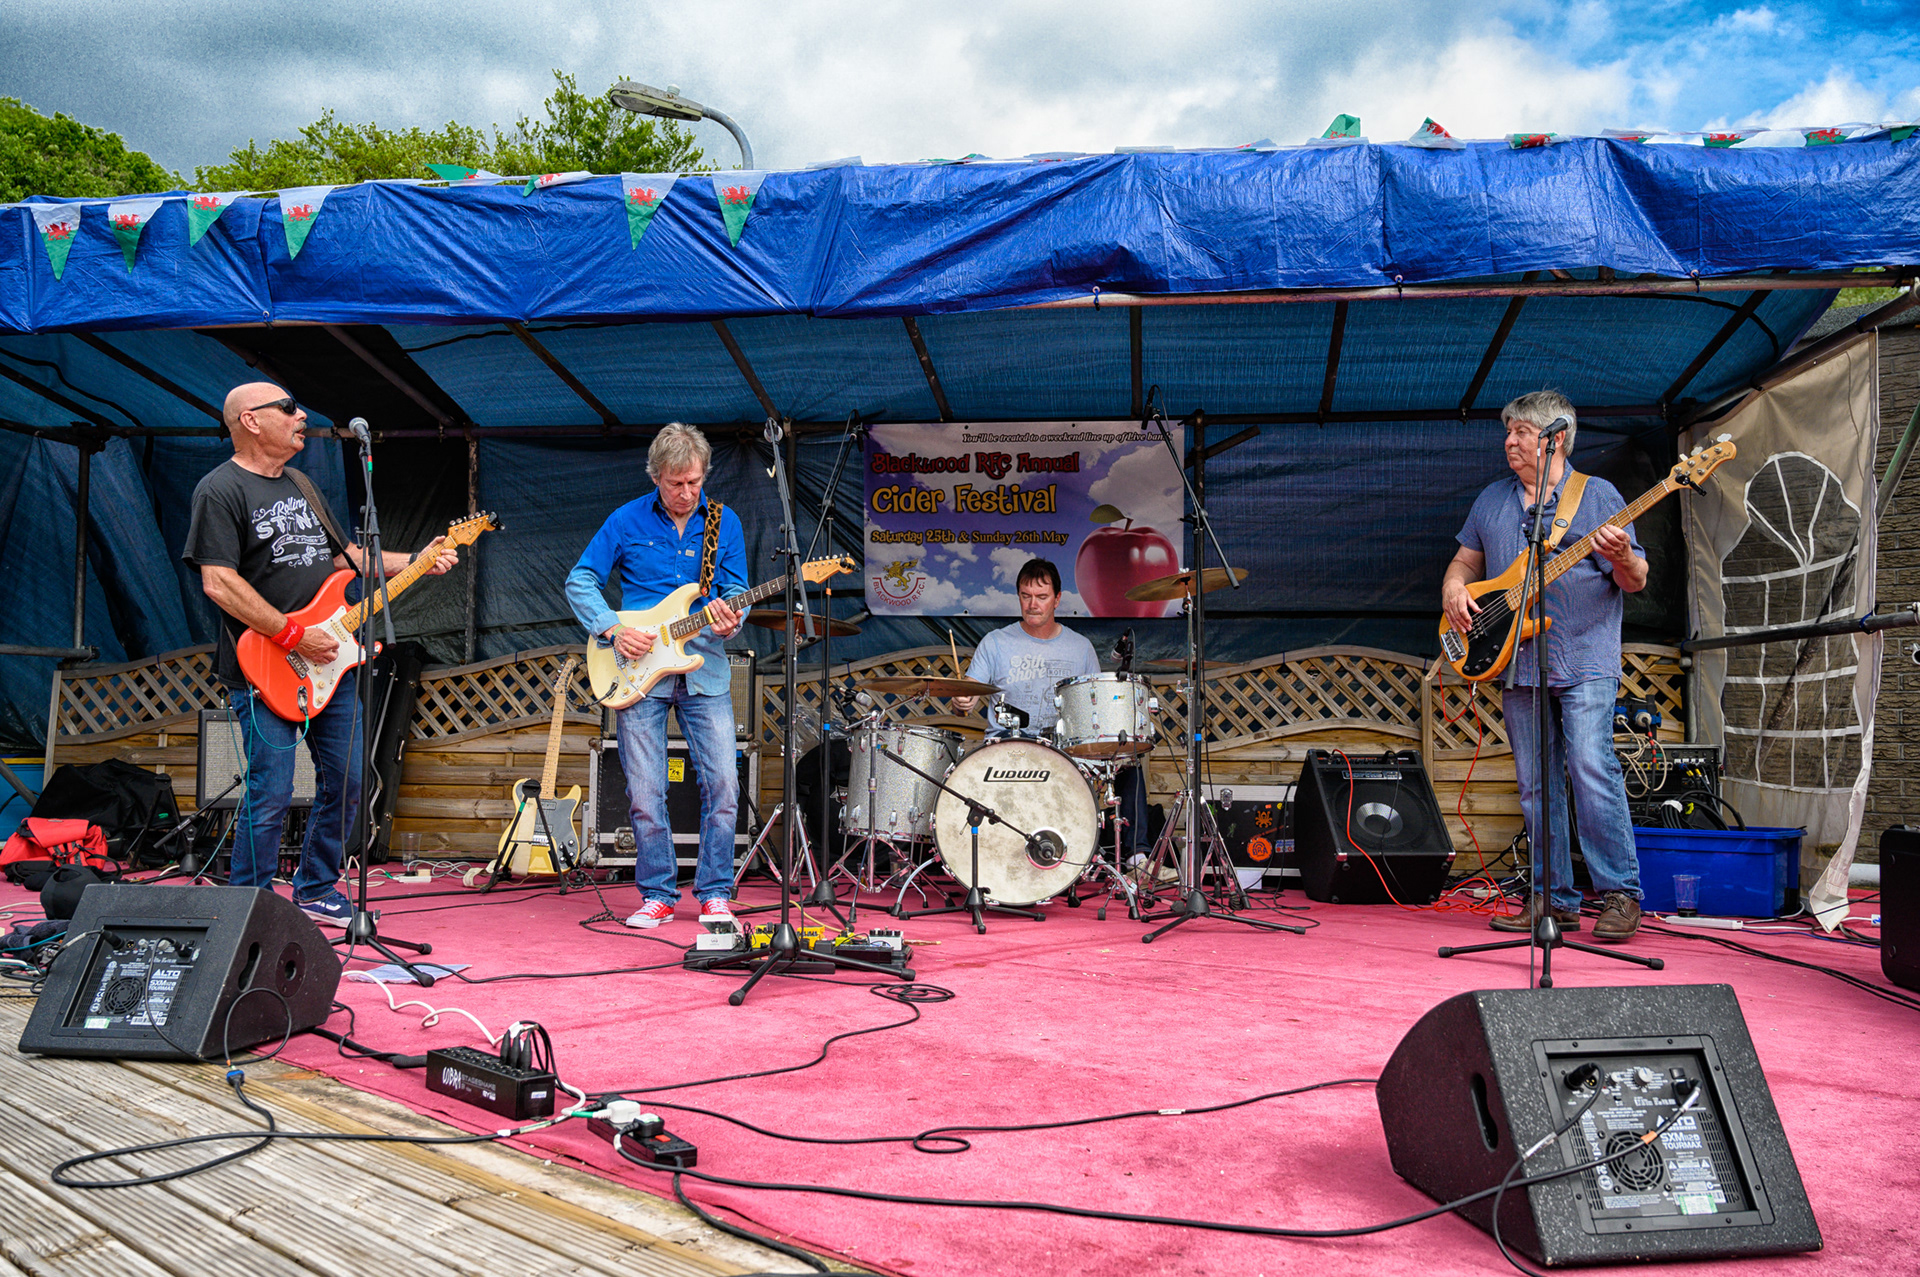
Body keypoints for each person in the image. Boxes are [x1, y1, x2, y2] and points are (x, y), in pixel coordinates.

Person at [184, 384, 457, 926]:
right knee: (272, 793)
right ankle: (249, 907)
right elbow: (219, 582)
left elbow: (347, 559)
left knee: (352, 781)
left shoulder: (302, 484)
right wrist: (291, 634)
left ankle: (316, 886)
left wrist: (418, 559)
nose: (300, 414)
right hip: (266, 667)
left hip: (330, 662)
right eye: (287, 408)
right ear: (251, 420)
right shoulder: (219, 490)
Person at [1441, 391, 1649, 942]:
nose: (1509, 442)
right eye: (1508, 432)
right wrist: (1454, 588)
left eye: (1521, 433)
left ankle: (1620, 894)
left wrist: (1623, 556)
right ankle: (1551, 900)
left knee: (1590, 768)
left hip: (1584, 657)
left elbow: (1636, 580)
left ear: (1556, 438)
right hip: (1517, 662)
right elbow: (1466, 558)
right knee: (1535, 786)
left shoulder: (1599, 495)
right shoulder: (1492, 499)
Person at [567, 423, 746, 929]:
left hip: (704, 668)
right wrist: (610, 629)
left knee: (725, 787)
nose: (687, 493)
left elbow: (735, 591)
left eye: (694, 482)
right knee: (646, 793)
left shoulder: (722, 522)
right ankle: (659, 893)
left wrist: (733, 618)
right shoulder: (625, 520)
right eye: (675, 484)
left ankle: (713, 892)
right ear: (655, 477)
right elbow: (580, 579)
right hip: (635, 670)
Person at [951, 559, 1151, 865]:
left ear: (1057, 599)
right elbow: (967, 694)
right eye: (1025, 596)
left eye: (1041, 597)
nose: (1032, 605)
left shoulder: (1080, 647)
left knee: (1129, 762)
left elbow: (1096, 709)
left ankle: (1137, 859)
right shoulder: (995, 643)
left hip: (1064, 752)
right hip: (1010, 749)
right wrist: (961, 701)